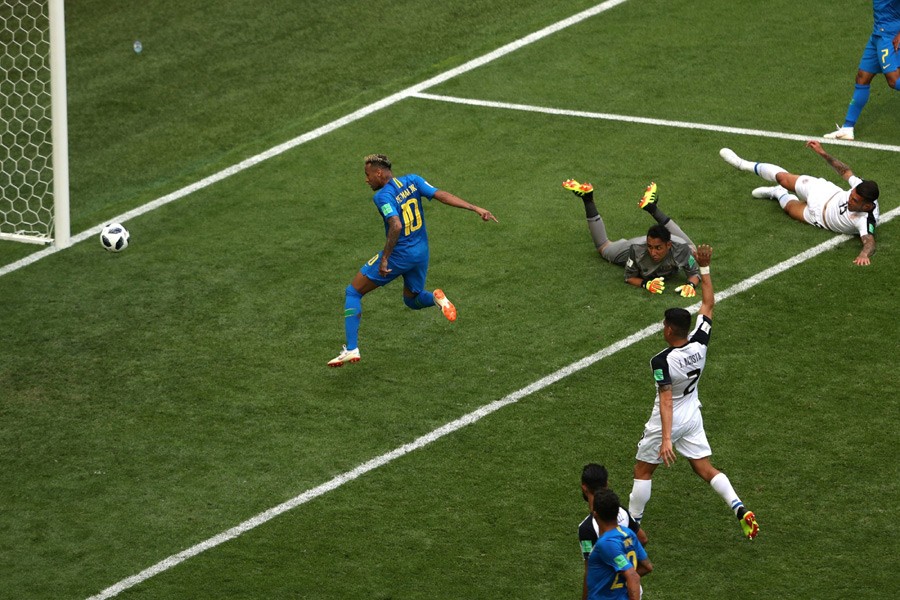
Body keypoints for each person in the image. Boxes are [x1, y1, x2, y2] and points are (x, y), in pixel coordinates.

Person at [627, 245, 759, 540]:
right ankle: (738, 507)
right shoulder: (699, 342)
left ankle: (630, 528)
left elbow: (665, 399)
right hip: (692, 415)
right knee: (703, 467)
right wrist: (705, 268)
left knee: (643, 470)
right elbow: (708, 304)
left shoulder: (661, 361)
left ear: (669, 330)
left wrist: (665, 439)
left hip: (670, 419)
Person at [328, 154, 497, 367]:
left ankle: (352, 348)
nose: (366, 179)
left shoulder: (382, 197)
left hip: (400, 255)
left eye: (368, 174)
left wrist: (385, 259)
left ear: (379, 173)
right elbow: (441, 195)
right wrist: (474, 208)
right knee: (411, 299)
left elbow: (396, 225)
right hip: (421, 252)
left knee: (353, 292)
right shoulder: (413, 180)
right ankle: (436, 299)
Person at [719, 142, 879, 266]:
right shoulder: (861, 186)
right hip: (824, 192)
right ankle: (742, 164)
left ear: (866, 206)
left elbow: (869, 242)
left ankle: (777, 193)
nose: (850, 199)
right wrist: (823, 153)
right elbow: (845, 171)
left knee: (789, 209)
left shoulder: (866, 219)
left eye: (855, 201)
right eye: (851, 195)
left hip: (818, 218)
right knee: (783, 178)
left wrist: (864, 254)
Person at [562, 179, 701, 297]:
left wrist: (690, 285)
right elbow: (629, 277)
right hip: (632, 246)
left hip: (675, 243)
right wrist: (646, 284)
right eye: (650, 247)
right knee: (603, 247)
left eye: (658, 248)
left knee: (693, 249)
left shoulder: (682, 249)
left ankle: (652, 208)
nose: (653, 252)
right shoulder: (636, 250)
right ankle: (588, 199)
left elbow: (694, 274)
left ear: (668, 245)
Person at [823, 0, 900, 140]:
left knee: (894, 81)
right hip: (877, 35)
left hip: (890, 37)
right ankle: (847, 128)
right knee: (862, 77)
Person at [579, 464, 648, 600]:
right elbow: (642, 539)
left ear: (584, 488)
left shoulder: (586, 528)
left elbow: (589, 570)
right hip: (631, 590)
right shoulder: (620, 511)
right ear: (607, 484)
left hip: (606, 594)